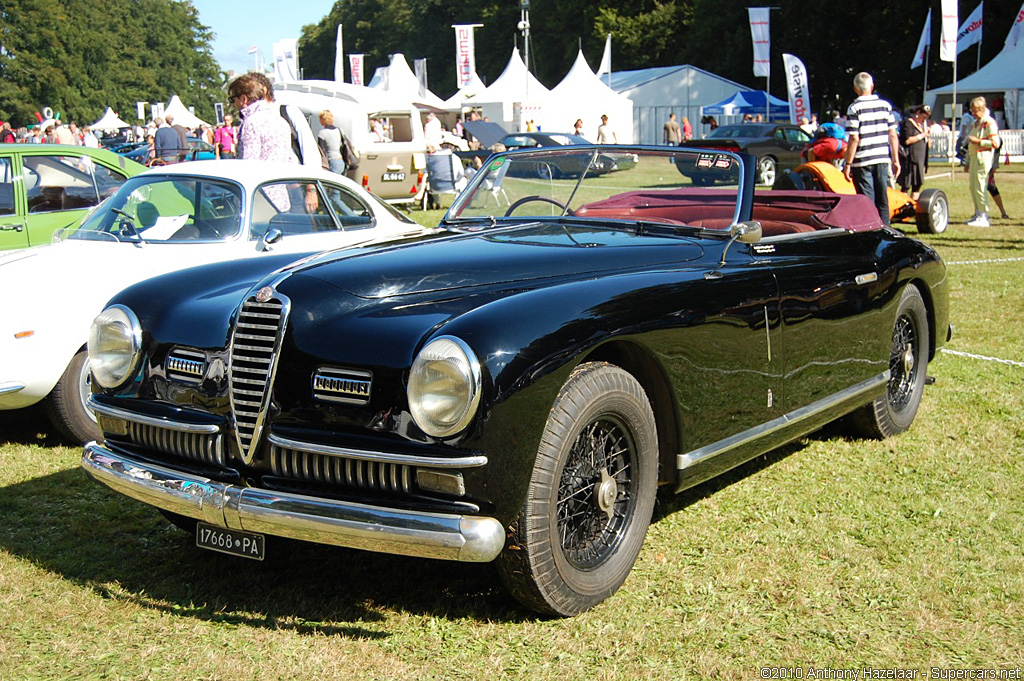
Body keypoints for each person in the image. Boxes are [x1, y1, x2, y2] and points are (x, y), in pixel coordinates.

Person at [228, 72, 297, 210]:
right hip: (280, 197)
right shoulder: (281, 121)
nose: (233, 104)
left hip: (259, 199)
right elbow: (288, 159)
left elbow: (249, 164)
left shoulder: (251, 122)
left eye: (232, 99)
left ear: (244, 98)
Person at [842, 72, 900, 225]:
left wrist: (847, 163)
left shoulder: (854, 108)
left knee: (867, 201)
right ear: (872, 86)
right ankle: (885, 229)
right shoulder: (885, 106)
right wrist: (895, 160)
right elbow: (893, 135)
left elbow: (854, 138)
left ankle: (870, 229)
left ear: (855, 89)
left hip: (862, 160)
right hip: (881, 157)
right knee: (883, 198)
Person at [964, 96, 1001, 227]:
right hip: (974, 158)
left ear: (982, 109)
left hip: (983, 158)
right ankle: (977, 213)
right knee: (973, 187)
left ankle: (983, 215)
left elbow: (996, 143)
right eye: (972, 111)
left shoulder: (989, 123)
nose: (973, 113)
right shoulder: (976, 123)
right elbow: (970, 143)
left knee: (980, 186)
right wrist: (967, 161)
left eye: (975, 111)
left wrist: (979, 141)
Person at [898, 105, 929, 200]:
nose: (924, 119)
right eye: (923, 117)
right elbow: (907, 140)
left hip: (919, 159)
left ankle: (914, 204)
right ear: (917, 114)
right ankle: (903, 204)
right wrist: (922, 136)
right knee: (906, 185)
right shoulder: (908, 124)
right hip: (910, 159)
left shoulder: (922, 126)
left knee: (917, 185)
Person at [317, 109, 346, 175]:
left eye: (320, 119)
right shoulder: (339, 130)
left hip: (332, 161)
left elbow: (321, 151)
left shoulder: (323, 133)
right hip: (341, 161)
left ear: (323, 120)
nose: (319, 121)